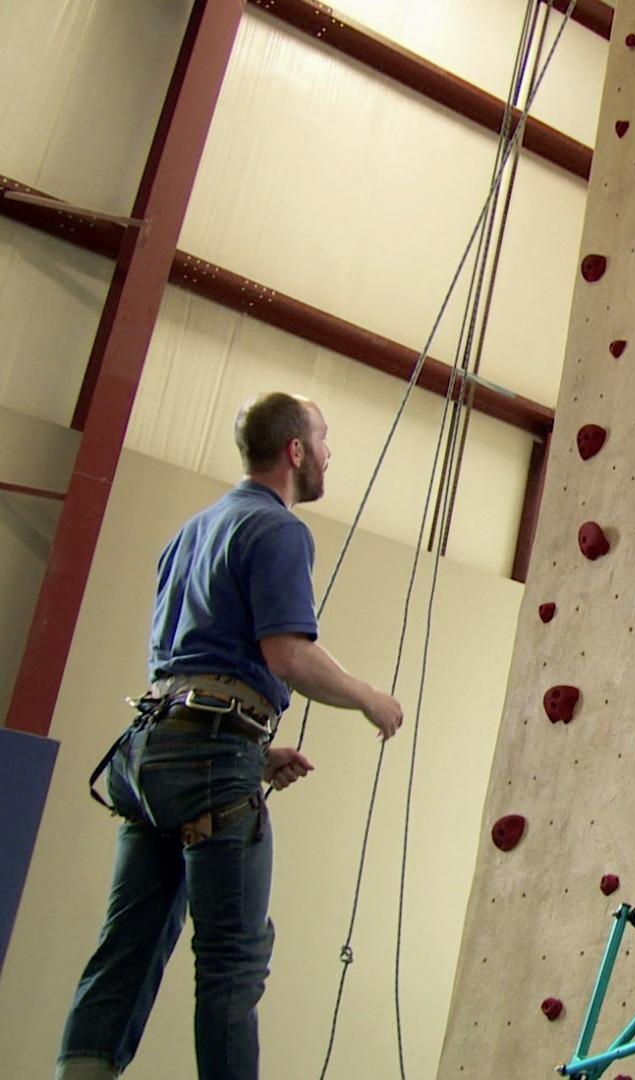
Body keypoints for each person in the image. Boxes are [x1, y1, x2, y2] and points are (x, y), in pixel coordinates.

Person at [55, 392, 405, 1080]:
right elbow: (288, 655)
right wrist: (369, 698)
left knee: (124, 950)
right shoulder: (279, 531)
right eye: (325, 439)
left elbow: (192, 663)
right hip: (207, 758)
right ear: (296, 451)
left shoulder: (191, 531)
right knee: (231, 964)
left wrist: (249, 748)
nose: (331, 453)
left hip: (152, 752)